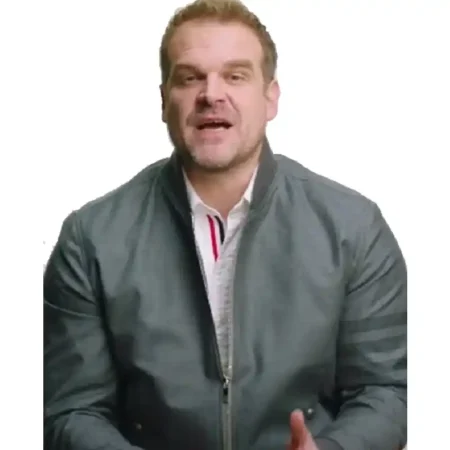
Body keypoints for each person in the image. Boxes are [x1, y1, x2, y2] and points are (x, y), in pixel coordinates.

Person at [43, 0, 407, 449]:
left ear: (270, 98)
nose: (211, 94)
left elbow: (387, 392)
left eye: (235, 76)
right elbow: (72, 411)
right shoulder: (90, 240)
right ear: (164, 100)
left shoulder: (354, 228)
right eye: (189, 77)